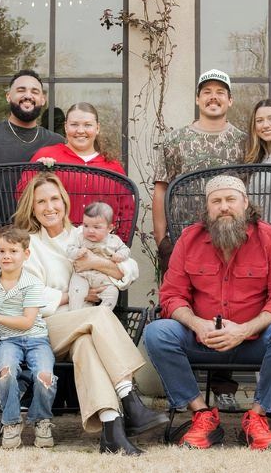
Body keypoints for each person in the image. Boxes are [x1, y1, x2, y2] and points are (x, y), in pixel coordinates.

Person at [11, 172, 169, 455]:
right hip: (43, 330)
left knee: (86, 344)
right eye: (41, 202)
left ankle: (112, 429)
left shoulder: (82, 232)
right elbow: (29, 297)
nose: (50, 207)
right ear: (31, 208)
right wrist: (77, 296)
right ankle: (131, 399)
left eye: (55, 199)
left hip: (83, 328)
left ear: (64, 201)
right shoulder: (28, 244)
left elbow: (130, 269)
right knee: (97, 316)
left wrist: (101, 264)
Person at [144, 175, 271, 451]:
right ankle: (203, 416)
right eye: (216, 201)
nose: (224, 207)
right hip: (202, 340)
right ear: (207, 209)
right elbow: (171, 296)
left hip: (254, 342)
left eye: (231, 199)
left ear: (245, 203)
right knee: (157, 333)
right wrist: (197, 325)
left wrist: (244, 330)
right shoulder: (189, 239)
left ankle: (257, 417)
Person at [0, 70, 64, 420]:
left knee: (29, 314)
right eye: (21, 90)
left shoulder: (52, 142)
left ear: (43, 101)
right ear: (8, 96)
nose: (28, 96)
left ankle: (19, 386)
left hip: (31, 242)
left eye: (35, 91)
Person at [152, 69, 246, 411]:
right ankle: (186, 392)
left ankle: (224, 387)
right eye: (206, 91)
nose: (213, 97)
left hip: (230, 237)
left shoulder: (244, 140)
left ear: (230, 100)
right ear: (197, 99)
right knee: (186, 308)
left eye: (221, 92)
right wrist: (163, 237)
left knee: (229, 303)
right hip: (184, 239)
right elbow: (160, 187)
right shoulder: (175, 140)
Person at [0, 226, 56, 449]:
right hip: (8, 341)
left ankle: (41, 420)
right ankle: (11, 422)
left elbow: (27, 321)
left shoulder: (32, 283)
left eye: (13, 251)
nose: (7, 256)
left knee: (45, 376)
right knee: (5, 372)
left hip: (36, 339)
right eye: (1, 251)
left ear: (25, 254)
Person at [31, 102, 133, 239]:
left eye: (87, 125)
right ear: (66, 127)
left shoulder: (113, 167)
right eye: (74, 124)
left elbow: (127, 211)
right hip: (53, 244)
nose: (80, 130)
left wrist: (120, 243)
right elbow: (23, 197)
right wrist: (37, 172)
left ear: (97, 128)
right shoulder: (46, 156)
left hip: (99, 246)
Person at [66, 202, 130, 310]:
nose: (90, 230)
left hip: (103, 279)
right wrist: (77, 252)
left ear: (109, 228)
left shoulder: (114, 240)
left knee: (113, 293)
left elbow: (126, 250)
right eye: (86, 225)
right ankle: (74, 313)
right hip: (82, 276)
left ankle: (102, 313)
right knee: (76, 293)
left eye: (96, 227)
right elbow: (69, 249)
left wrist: (120, 255)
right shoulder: (80, 237)